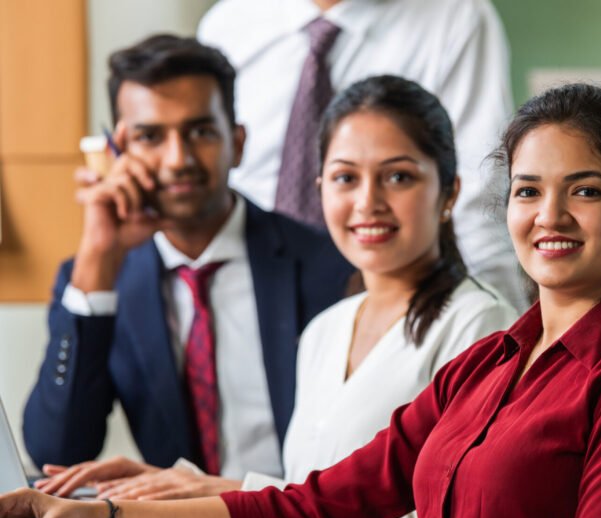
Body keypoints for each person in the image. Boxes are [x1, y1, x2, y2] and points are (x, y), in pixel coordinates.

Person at [0, 83, 601, 518]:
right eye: (529, 191)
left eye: (585, 190)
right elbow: (321, 505)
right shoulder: (488, 365)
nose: (549, 215)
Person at [31, 77, 517, 518]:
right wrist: (178, 487)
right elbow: (307, 503)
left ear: (449, 192)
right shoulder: (326, 330)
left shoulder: (482, 327)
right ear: (320, 189)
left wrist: (219, 491)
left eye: (398, 178)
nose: (368, 202)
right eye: (346, 178)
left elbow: (453, 514)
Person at [21, 34, 352, 489]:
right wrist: (99, 257)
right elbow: (57, 452)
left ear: (237, 144)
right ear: (119, 151)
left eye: (200, 132)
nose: (178, 159)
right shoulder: (101, 277)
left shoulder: (331, 266)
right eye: (149, 136)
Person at [197, 0, 529, 311]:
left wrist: (498, 332)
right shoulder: (228, 26)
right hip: (252, 294)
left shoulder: (455, 16)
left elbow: (477, 193)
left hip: (403, 299)